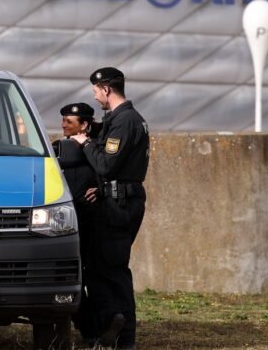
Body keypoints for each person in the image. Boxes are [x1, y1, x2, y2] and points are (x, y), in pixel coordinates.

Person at [70, 67, 148, 350]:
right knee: (104, 268)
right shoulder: (120, 119)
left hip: (120, 205)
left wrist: (86, 142)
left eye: (95, 91)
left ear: (105, 89)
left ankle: (122, 337)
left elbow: (107, 164)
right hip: (115, 198)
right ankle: (110, 329)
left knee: (112, 272)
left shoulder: (125, 121)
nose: (94, 96)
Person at [52, 102, 101, 343]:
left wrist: (100, 188)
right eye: (62, 120)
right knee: (69, 277)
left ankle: (96, 329)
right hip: (66, 221)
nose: (63, 125)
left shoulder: (97, 151)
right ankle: (89, 330)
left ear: (85, 125)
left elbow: (111, 169)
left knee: (93, 276)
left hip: (90, 220)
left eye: (69, 122)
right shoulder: (57, 149)